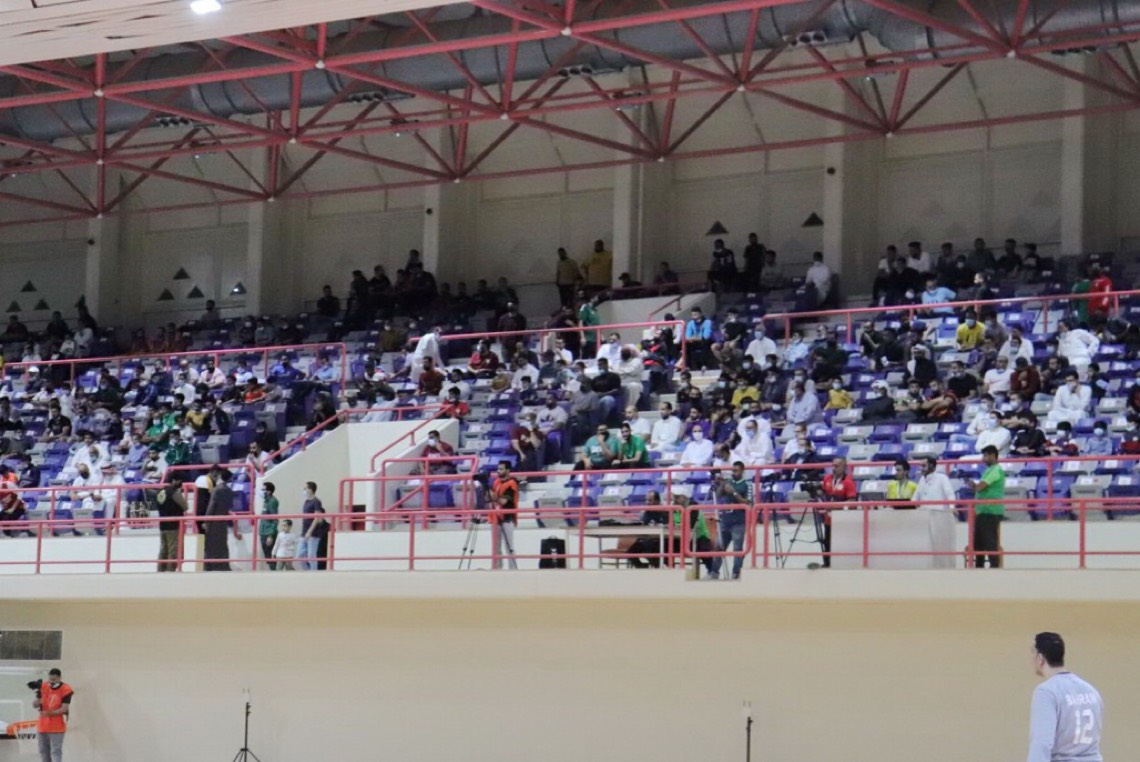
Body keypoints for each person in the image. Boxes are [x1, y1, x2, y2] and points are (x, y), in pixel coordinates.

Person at [1026, 632, 1103, 762]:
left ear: (1040, 658)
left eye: (1032, 652)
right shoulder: (1092, 691)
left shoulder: (1046, 692)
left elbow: (1041, 743)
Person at [709, 462, 753, 580]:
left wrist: (733, 492)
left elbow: (748, 503)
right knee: (718, 546)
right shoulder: (728, 482)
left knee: (737, 548)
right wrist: (721, 484)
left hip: (739, 521)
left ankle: (736, 573)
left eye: (736, 470)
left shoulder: (747, 484)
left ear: (742, 471)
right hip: (725, 520)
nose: (734, 473)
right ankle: (714, 573)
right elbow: (717, 495)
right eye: (733, 470)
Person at [912, 456, 957, 568]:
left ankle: (943, 568)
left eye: (924, 466)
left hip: (939, 516)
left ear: (932, 466)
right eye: (920, 466)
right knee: (927, 544)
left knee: (940, 544)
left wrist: (952, 507)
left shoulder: (942, 478)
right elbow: (915, 497)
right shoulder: (922, 480)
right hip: (924, 516)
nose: (921, 468)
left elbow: (950, 494)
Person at [965, 445, 1005, 568]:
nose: (983, 459)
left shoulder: (995, 470)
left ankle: (994, 568)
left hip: (990, 511)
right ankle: (979, 567)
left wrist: (973, 485)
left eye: (985, 455)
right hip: (983, 511)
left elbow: (980, 487)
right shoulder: (990, 470)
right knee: (978, 543)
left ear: (993, 455)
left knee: (989, 542)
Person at [819, 456, 856, 568]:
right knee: (827, 541)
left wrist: (837, 507)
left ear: (844, 467)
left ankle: (842, 563)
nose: (834, 468)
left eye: (837, 465)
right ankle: (827, 563)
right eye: (833, 465)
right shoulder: (827, 479)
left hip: (841, 518)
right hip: (828, 517)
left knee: (841, 542)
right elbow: (823, 494)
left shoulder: (848, 482)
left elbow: (852, 500)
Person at [203, 469, 241, 571]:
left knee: (211, 545)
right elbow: (230, 505)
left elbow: (211, 507)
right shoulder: (229, 491)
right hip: (223, 520)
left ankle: (211, 566)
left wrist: (206, 520)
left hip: (213, 521)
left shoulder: (216, 490)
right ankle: (223, 565)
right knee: (222, 544)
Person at [34, 667, 73, 762]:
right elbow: (35, 705)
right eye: (50, 679)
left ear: (60, 678)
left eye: (54, 679)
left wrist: (49, 713)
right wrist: (37, 701)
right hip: (42, 726)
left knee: (56, 751)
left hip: (57, 727)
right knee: (43, 751)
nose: (51, 681)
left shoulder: (66, 689)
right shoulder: (44, 686)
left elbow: (64, 708)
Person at [490, 460, 519, 570]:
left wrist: (493, 497)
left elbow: (503, 501)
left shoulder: (512, 483)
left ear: (508, 470)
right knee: (496, 547)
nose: (498, 471)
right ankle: (497, 568)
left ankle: (512, 569)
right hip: (495, 518)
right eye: (498, 469)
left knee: (509, 547)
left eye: (501, 469)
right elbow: (490, 499)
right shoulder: (496, 482)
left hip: (507, 518)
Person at [155, 474, 188, 572]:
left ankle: (161, 569)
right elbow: (185, 506)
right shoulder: (174, 492)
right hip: (174, 525)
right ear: (173, 480)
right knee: (173, 548)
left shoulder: (160, 492)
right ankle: (170, 570)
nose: (180, 483)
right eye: (179, 480)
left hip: (163, 524)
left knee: (163, 548)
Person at [296, 481, 323, 571]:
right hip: (304, 532)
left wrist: (309, 531)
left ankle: (314, 573)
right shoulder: (306, 501)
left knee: (311, 555)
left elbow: (317, 518)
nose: (304, 490)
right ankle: (307, 572)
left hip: (313, 533)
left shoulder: (316, 502)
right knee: (299, 556)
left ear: (310, 490)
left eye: (305, 488)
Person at [258, 481, 279, 570]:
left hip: (268, 533)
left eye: (263, 490)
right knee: (267, 557)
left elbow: (275, 519)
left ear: (269, 491)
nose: (261, 491)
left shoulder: (273, 502)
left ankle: (274, 573)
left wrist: (270, 535)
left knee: (271, 556)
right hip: (263, 532)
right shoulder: (266, 501)